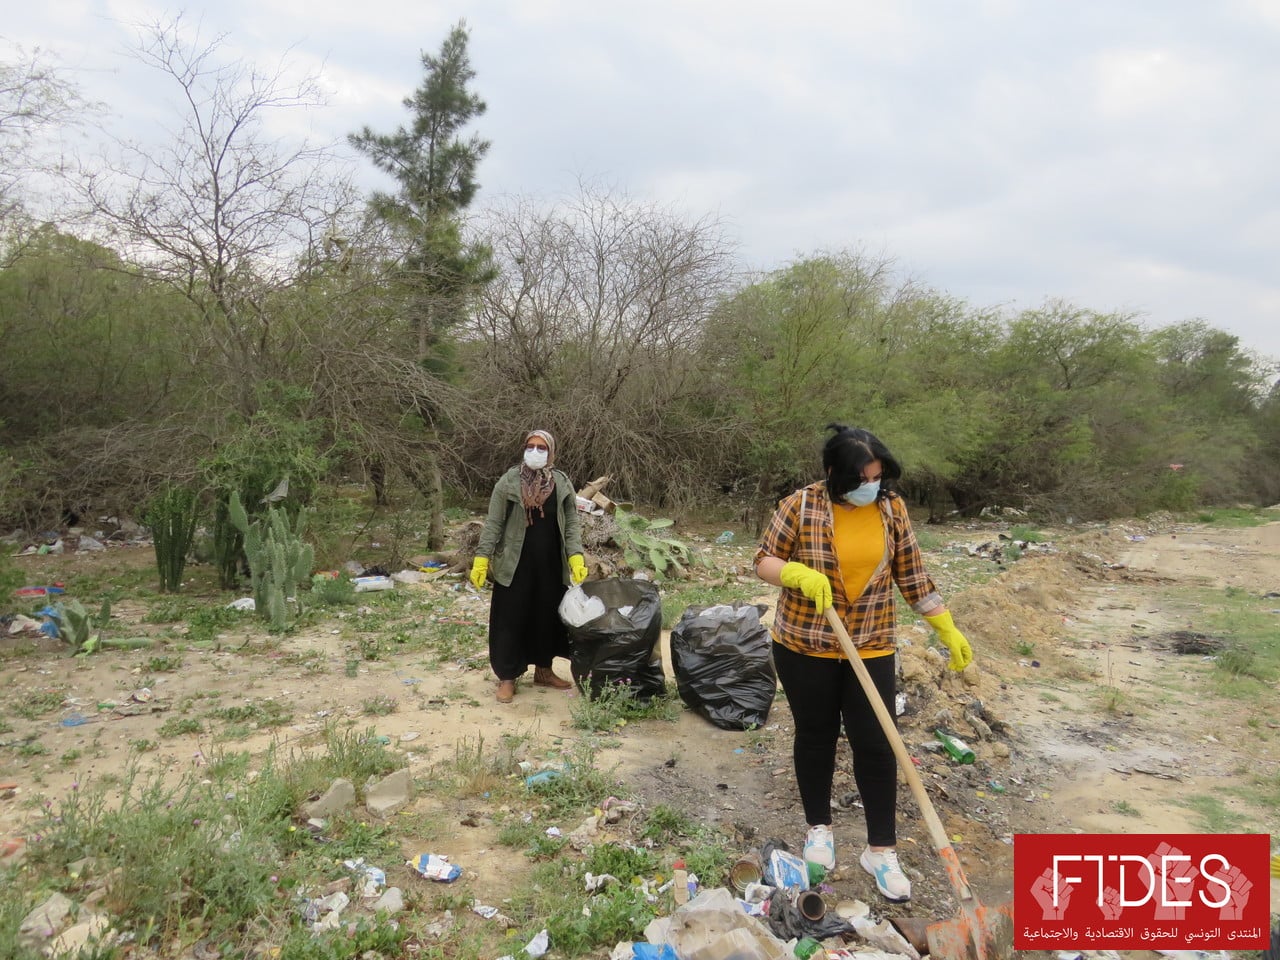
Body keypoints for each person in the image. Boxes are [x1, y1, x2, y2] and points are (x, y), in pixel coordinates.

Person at [755, 424, 975, 902]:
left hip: (872, 643)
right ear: (833, 472)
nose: (870, 486)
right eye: (861, 479)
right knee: (815, 735)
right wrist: (794, 573)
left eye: (877, 477)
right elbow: (763, 560)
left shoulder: (891, 509)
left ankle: (881, 850)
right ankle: (819, 827)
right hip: (806, 644)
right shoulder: (801, 505)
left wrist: (945, 625)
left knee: (877, 743)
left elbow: (912, 574)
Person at [470, 430, 589, 703]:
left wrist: (575, 555)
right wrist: (482, 557)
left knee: (546, 617)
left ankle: (544, 671)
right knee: (510, 619)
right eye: (530, 446)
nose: (535, 451)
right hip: (515, 563)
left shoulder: (561, 482)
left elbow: (571, 522)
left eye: (541, 447)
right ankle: (507, 677)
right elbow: (494, 522)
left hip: (550, 563)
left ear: (551, 452)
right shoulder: (509, 481)